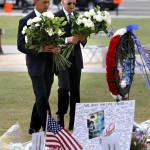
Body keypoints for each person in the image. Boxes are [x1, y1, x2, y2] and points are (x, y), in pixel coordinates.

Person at [17, 0, 60, 134]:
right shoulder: (25, 20)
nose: (47, 5)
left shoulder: (52, 19)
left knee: (43, 96)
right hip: (35, 66)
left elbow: (55, 39)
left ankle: (33, 126)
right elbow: (20, 45)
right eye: (44, 2)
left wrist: (57, 48)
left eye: (48, 2)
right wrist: (40, 49)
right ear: (35, 2)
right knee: (41, 96)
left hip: (49, 65)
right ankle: (49, 128)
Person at [54, 0, 87, 130]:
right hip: (62, 59)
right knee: (63, 88)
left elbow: (84, 40)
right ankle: (60, 117)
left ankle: (74, 121)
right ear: (62, 2)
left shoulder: (79, 17)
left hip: (76, 59)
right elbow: (51, 38)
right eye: (69, 3)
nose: (72, 6)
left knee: (75, 91)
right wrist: (66, 39)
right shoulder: (56, 17)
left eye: (74, 3)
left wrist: (83, 39)